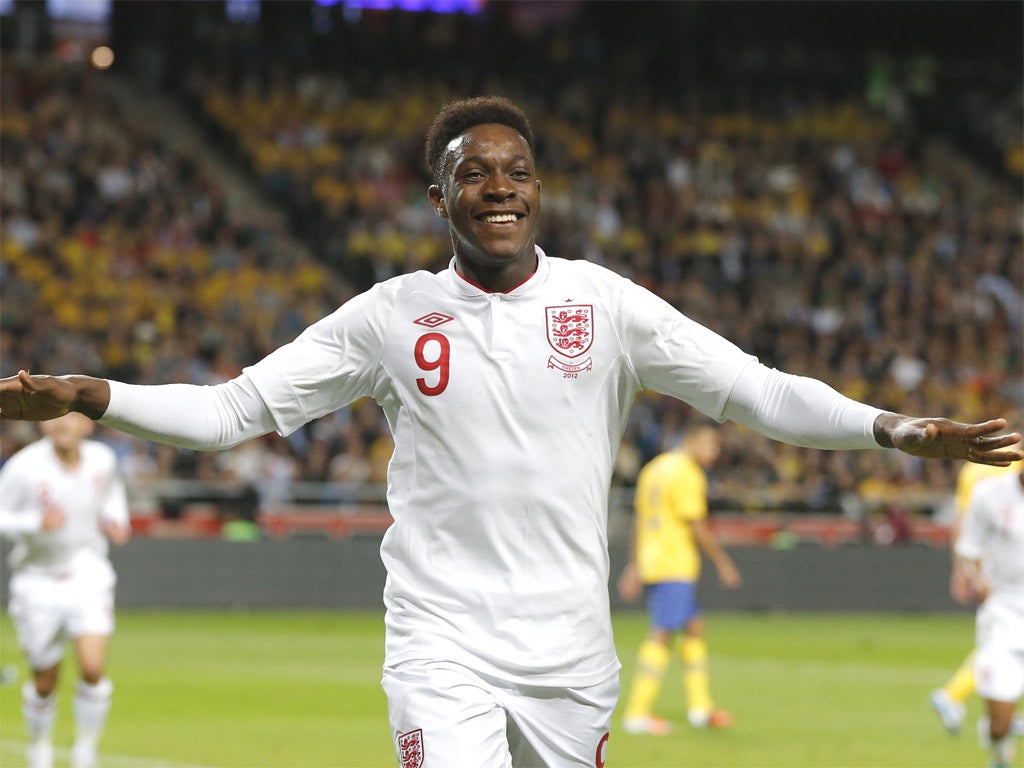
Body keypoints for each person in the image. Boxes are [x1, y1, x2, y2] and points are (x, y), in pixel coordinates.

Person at [1, 96, 1021, 768]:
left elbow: (755, 393)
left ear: (538, 190)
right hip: (441, 643)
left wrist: (889, 428)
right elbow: (233, 412)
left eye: (517, 170)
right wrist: (98, 395)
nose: (500, 187)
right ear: (437, 196)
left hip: (571, 655)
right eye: (475, 172)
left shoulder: (606, 305)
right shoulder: (388, 315)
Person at [0, 412, 131, 768]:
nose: (62, 426)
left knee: (92, 667)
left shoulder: (102, 460)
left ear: (86, 425)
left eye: (70, 419)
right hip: (36, 579)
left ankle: (85, 751)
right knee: (44, 679)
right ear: (43, 425)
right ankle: (40, 746)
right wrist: (34, 524)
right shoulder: (23, 468)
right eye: (54, 420)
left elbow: (112, 494)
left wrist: (117, 518)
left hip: (87, 572)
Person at [617, 423, 740, 735]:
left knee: (694, 627)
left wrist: (634, 563)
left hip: (654, 559)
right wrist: (723, 562)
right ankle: (637, 714)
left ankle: (700, 709)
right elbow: (696, 525)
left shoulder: (653, 469)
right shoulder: (686, 473)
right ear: (691, 439)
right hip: (673, 562)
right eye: (710, 445)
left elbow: (640, 521)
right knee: (662, 633)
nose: (714, 453)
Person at [931, 450, 1024, 735]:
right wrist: (967, 573)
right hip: (1004, 601)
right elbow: (965, 525)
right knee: (996, 667)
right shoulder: (982, 480)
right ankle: (960, 702)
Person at [953, 464, 1024, 768]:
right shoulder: (989, 493)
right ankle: (999, 745)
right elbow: (968, 548)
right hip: (1004, 614)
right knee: (1000, 723)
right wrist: (976, 579)